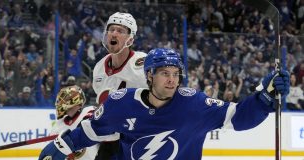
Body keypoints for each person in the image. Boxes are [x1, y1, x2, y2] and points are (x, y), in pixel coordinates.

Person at [39, 48, 289, 160]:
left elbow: (240, 118)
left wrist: (264, 98)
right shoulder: (121, 103)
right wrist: (63, 144)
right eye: (164, 73)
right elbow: (92, 130)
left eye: (175, 74)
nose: (172, 80)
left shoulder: (195, 104)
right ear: (149, 75)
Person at [92, 12, 148, 159]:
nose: (114, 34)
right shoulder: (99, 68)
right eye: (111, 29)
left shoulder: (144, 64)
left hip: (141, 139)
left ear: (130, 38)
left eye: (120, 31)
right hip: (111, 143)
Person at [49, 85, 99, 159]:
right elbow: (52, 150)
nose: (60, 103)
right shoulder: (59, 125)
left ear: (74, 101)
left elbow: (92, 124)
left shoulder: (89, 112)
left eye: (65, 99)